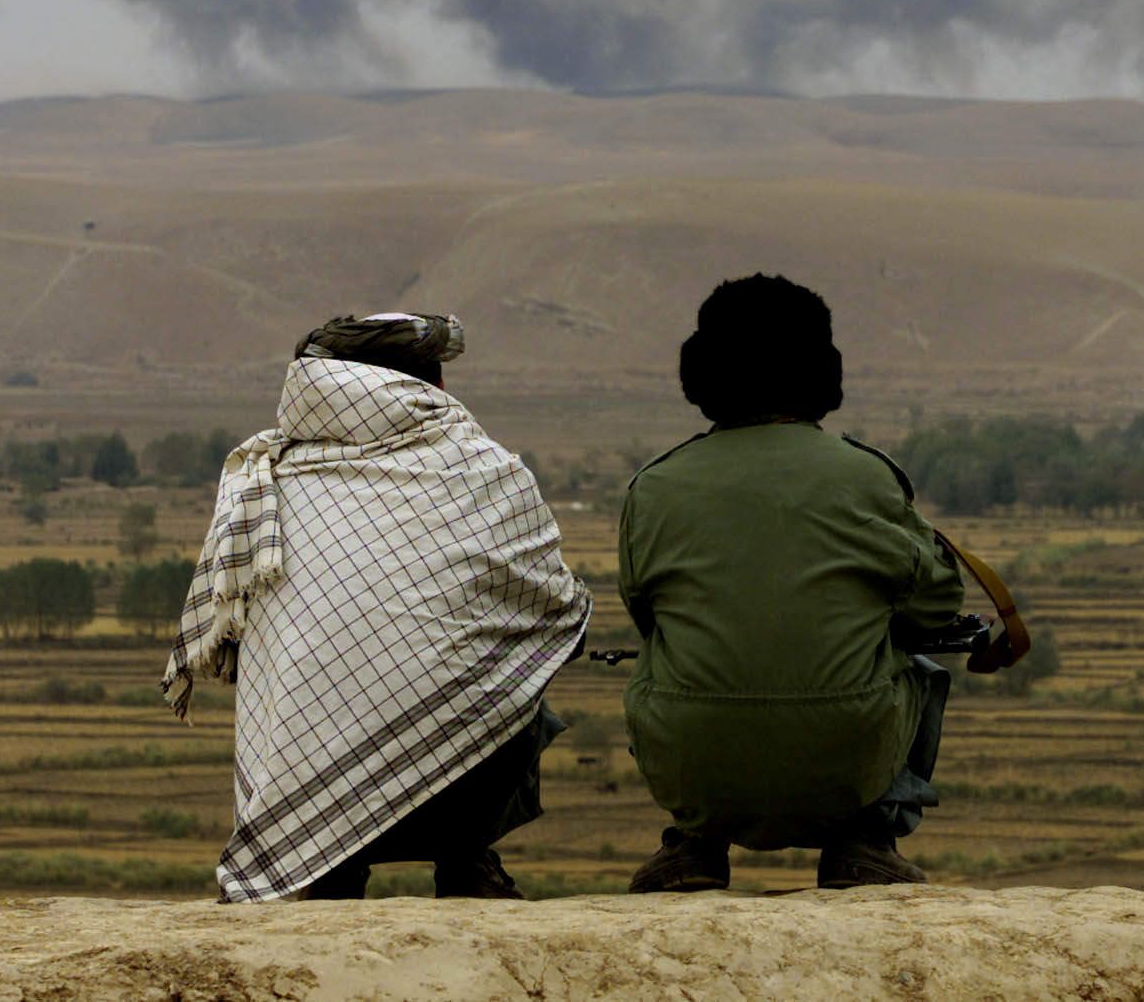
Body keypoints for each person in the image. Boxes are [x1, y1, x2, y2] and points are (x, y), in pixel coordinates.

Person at [161, 312, 591, 902]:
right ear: (431, 389)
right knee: (517, 668)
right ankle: (466, 857)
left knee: (291, 680)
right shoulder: (487, 469)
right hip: (454, 792)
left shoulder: (265, 477)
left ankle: (326, 871)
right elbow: (554, 609)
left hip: (302, 787)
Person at [618, 274, 965, 891]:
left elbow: (648, 613)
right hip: (848, 758)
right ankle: (865, 842)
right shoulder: (865, 476)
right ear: (821, 373)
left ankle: (693, 845)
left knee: (666, 656)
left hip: (694, 761)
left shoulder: (654, 485)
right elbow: (935, 607)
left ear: (702, 373)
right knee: (922, 668)